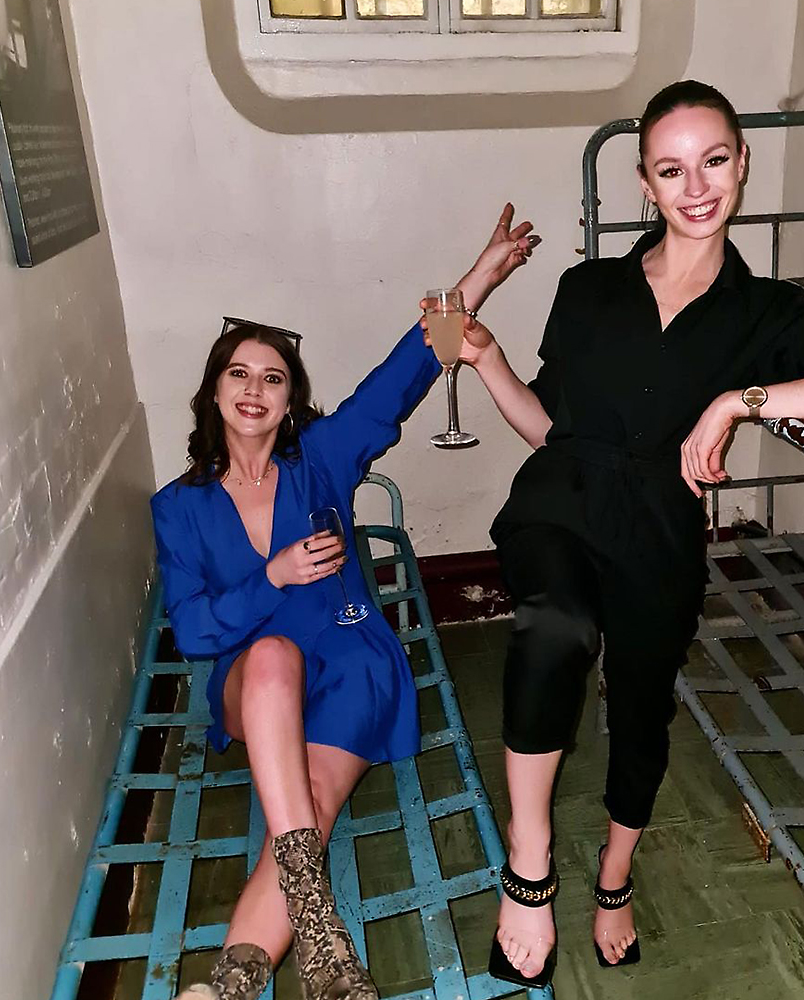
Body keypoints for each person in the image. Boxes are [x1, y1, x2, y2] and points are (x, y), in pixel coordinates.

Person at [455, 81, 804, 987]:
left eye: (713, 161)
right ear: (644, 184)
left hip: (659, 524)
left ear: (742, 164)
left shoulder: (763, 311)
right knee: (554, 627)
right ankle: (530, 866)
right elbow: (551, 428)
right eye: (671, 168)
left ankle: (615, 873)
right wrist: (495, 361)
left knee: (643, 702)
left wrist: (739, 401)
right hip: (562, 499)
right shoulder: (589, 288)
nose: (695, 186)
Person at [159, 208, 540, 1000]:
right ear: (213, 392)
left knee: (315, 800)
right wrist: (275, 576)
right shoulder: (179, 506)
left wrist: (479, 278)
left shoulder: (321, 459)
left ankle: (230, 982)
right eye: (239, 374)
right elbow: (194, 632)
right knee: (265, 656)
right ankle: (323, 940)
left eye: (273, 377)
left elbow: (401, 375)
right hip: (253, 681)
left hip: (350, 660)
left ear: (292, 398)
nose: (255, 390)